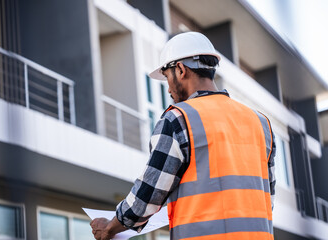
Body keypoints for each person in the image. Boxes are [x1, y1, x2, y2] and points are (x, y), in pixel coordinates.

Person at [90, 31, 276, 240]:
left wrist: (109, 227)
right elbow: (267, 200)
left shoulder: (179, 119)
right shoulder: (261, 123)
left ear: (180, 70)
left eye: (167, 77)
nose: (168, 88)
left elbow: (148, 194)